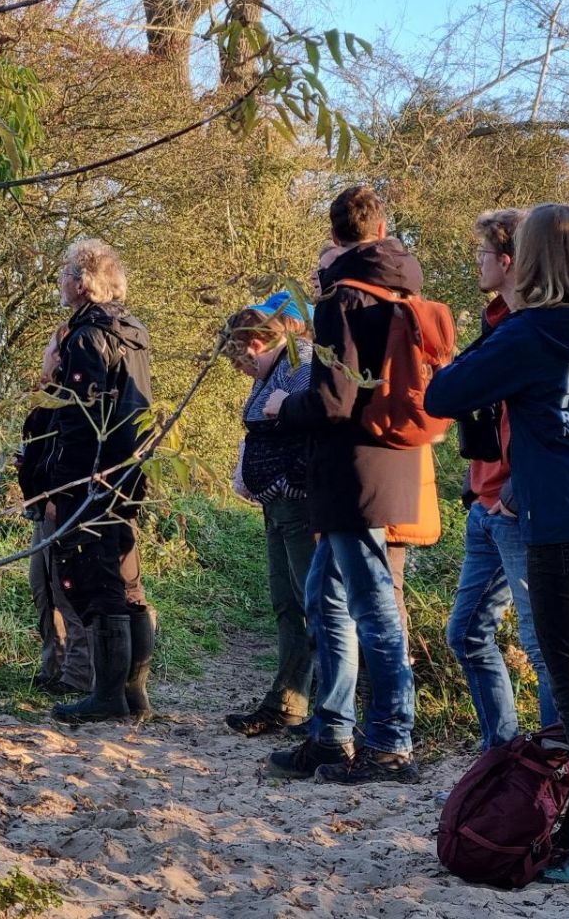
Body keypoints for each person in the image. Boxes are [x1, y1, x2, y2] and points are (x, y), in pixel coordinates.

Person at [426, 202, 569, 886]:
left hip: (565, 529)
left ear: (532, 261)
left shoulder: (528, 333)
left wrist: (500, 325)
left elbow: (442, 394)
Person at [262, 185, 424, 785]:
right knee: (326, 599)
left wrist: (283, 407)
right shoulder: (402, 288)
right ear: (380, 230)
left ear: (334, 235)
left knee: (371, 607)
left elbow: (334, 399)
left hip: (350, 471)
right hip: (391, 459)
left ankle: (391, 743)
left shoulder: (344, 299)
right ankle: (331, 735)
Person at [444, 208, 556, 750]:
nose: (478, 263)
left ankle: (556, 772)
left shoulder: (536, 329)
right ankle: (505, 757)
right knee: (466, 634)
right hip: (486, 502)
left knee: (543, 648)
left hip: (516, 506)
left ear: (508, 261)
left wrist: (514, 492)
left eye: (484, 254)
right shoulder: (496, 323)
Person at [43, 239, 157, 723]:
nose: (61, 281)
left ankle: (108, 695)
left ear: (84, 282)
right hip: (128, 469)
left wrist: (61, 485)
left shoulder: (87, 337)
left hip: (93, 475)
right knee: (126, 580)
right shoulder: (134, 332)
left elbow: (80, 418)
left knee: (98, 578)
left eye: (67, 273)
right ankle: (134, 695)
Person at [219, 292, 318, 737]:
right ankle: (287, 701)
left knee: (313, 603)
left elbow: (309, 423)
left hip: (298, 503)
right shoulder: (275, 369)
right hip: (276, 504)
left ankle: (327, 711)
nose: (240, 370)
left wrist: (285, 480)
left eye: (240, 361)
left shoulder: (301, 363)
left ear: (256, 344)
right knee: (286, 602)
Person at [21, 323, 93, 696]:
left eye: (50, 349)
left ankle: (78, 673)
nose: (44, 356)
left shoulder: (71, 400)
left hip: (59, 504)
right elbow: (42, 447)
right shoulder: (47, 398)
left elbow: (69, 452)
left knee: (65, 589)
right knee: (42, 587)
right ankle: (54, 665)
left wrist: (56, 495)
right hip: (40, 503)